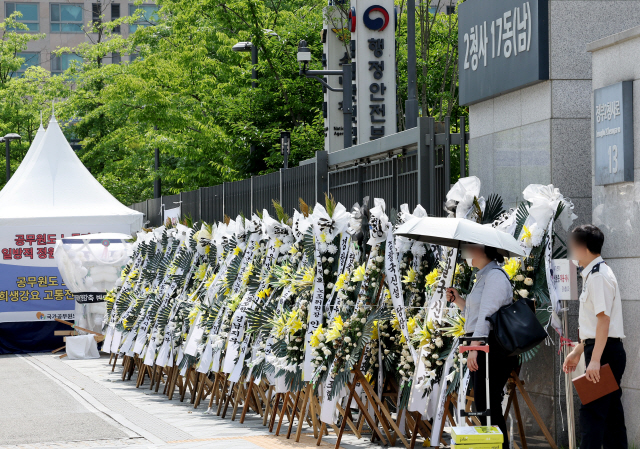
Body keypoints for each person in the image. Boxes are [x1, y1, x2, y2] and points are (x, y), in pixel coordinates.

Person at [562, 224, 627, 449]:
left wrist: (595, 360)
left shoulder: (598, 276)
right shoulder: (594, 274)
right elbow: (596, 324)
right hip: (603, 349)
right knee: (610, 416)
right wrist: (579, 350)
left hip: (604, 351)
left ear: (582, 247)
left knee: (591, 412)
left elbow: (603, 320)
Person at [447, 243, 517, 449]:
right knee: (484, 401)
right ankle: (493, 445)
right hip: (485, 344)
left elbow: (487, 316)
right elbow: (475, 313)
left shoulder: (495, 276)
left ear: (483, 251)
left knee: (488, 402)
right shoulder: (483, 276)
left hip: (492, 347)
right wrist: (459, 300)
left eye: (471, 248)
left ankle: (498, 446)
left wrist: (475, 348)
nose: (467, 253)